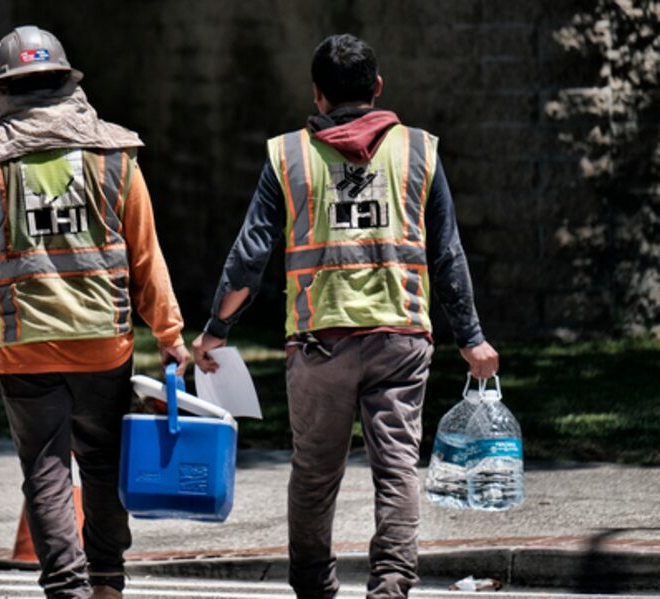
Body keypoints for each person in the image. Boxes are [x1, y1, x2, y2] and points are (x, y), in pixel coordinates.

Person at [192, 33, 499, 599]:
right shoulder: (418, 151)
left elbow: (250, 256)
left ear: (317, 95)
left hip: (318, 343)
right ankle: (390, 587)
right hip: (401, 336)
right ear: (377, 88)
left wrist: (215, 331)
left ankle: (314, 588)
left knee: (314, 474)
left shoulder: (288, 158)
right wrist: (472, 339)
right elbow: (447, 252)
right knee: (398, 467)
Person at [0, 26, 189, 599]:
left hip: (26, 348)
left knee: (47, 474)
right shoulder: (114, 155)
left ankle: (66, 588)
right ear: (66, 84)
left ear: (2, 91)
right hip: (104, 344)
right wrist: (170, 334)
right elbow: (145, 253)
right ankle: (107, 583)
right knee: (104, 466)